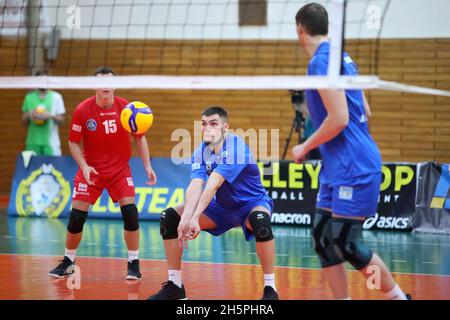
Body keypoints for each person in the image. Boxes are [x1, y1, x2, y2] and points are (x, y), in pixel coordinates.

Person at [292, 3, 410, 300]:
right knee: (323, 237)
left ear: (300, 30)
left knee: (348, 244)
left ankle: (399, 298)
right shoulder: (342, 56)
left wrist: (306, 144)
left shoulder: (320, 62)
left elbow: (340, 118)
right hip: (339, 166)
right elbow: (365, 111)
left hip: (353, 166)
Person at [147, 106, 278, 300]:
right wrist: (187, 217)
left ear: (225, 128)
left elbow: (213, 184)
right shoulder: (201, 151)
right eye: (204, 124)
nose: (208, 128)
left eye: (213, 124)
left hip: (250, 204)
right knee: (170, 217)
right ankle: (175, 285)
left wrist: (195, 217)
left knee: (261, 221)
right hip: (221, 209)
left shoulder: (237, 148)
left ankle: (270, 289)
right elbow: (195, 185)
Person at [49, 66, 157, 280]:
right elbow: (73, 142)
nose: (105, 86)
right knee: (76, 218)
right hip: (92, 171)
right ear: (93, 85)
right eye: (101, 81)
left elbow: (140, 138)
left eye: (109, 82)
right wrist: (84, 166)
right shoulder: (83, 110)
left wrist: (147, 166)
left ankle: (133, 263)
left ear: (115, 85)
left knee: (131, 215)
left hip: (119, 171)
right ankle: (68, 261)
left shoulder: (127, 108)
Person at [21, 70, 65, 156]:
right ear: (36, 81)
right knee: (33, 169)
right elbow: (23, 120)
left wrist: (50, 116)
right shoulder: (29, 97)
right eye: (40, 80)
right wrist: (31, 114)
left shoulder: (57, 97)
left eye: (45, 80)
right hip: (33, 143)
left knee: (52, 168)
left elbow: (62, 120)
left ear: (48, 81)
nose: (42, 83)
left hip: (51, 143)